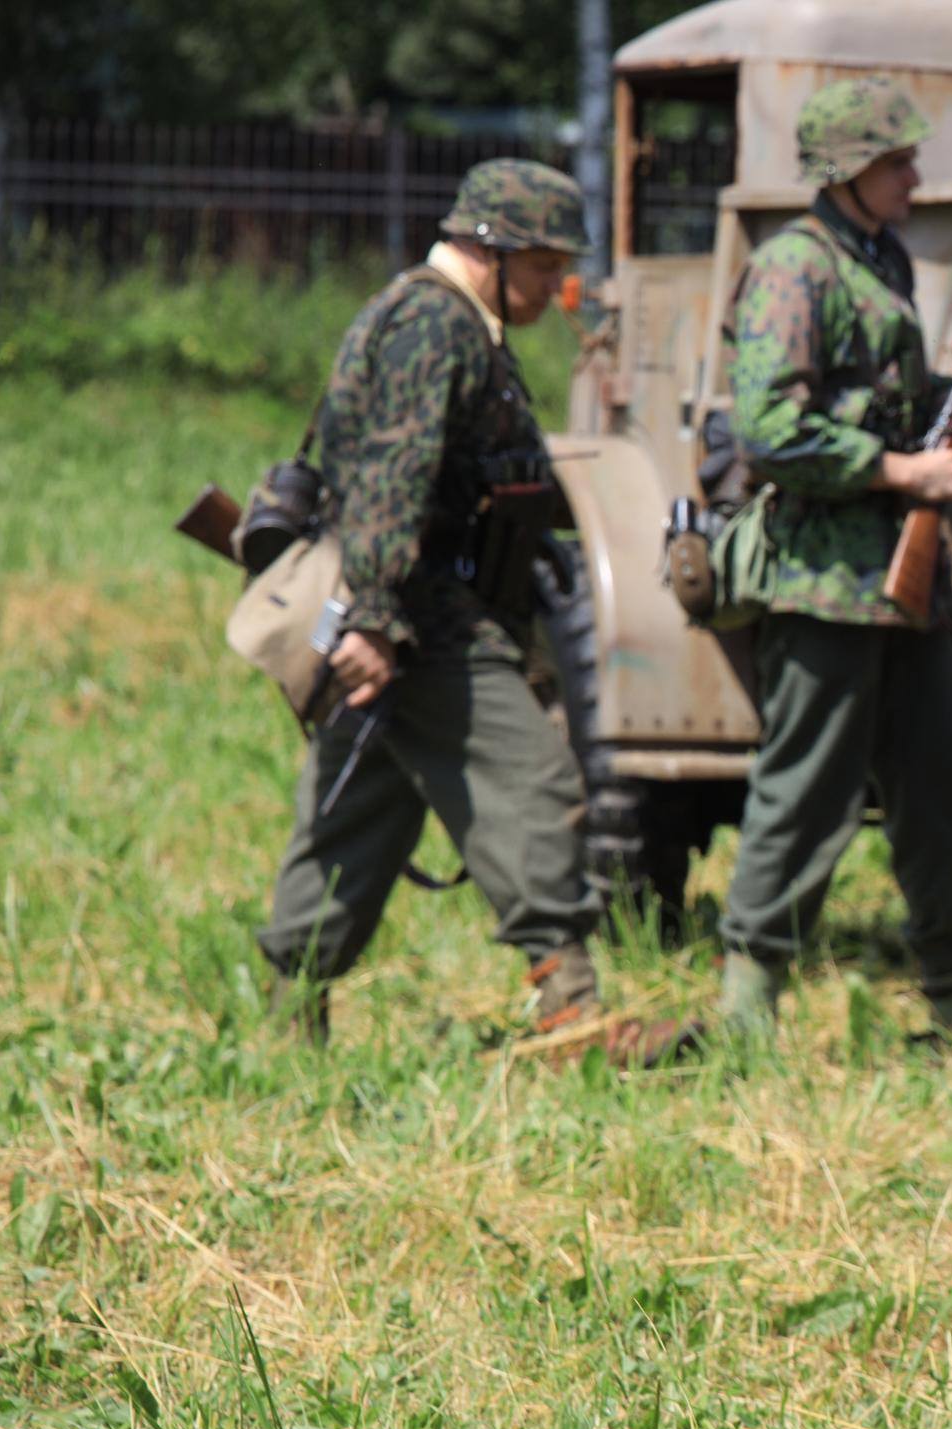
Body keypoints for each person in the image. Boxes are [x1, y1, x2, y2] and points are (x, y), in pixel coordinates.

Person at [255, 159, 676, 1059]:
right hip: (423, 614)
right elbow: (388, 477)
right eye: (544, 266)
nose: (555, 286)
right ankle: (571, 1009)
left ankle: (287, 1023)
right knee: (537, 785)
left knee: (358, 812)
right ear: (493, 249)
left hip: (416, 609)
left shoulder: (455, 323)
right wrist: (371, 619)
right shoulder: (433, 325)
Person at [714, 78, 952, 1040]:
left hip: (901, 586)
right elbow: (767, 427)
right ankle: (749, 1002)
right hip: (822, 579)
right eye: (897, 161)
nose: (915, 176)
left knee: (945, 789)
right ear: (848, 170)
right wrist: (898, 470)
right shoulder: (796, 266)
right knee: (804, 794)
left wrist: (948, 386)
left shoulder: (878, 260)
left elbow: (875, 392)